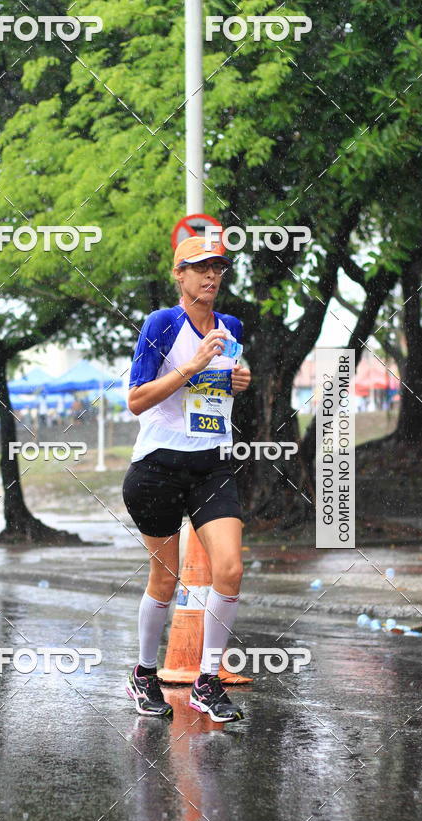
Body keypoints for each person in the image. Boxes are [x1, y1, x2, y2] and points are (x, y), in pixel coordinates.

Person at [123, 235, 251, 723]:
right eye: (200, 268)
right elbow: (136, 400)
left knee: (231, 569)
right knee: (166, 576)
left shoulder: (230, 325)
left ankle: (207, 680)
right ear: (179, 275)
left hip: (211, 466)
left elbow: (227, 378)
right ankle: (143, 674)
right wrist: (191, 367)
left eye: (218, 267)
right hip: (157, 466)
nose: (211, 276)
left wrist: (240, 379)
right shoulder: (161, 324)